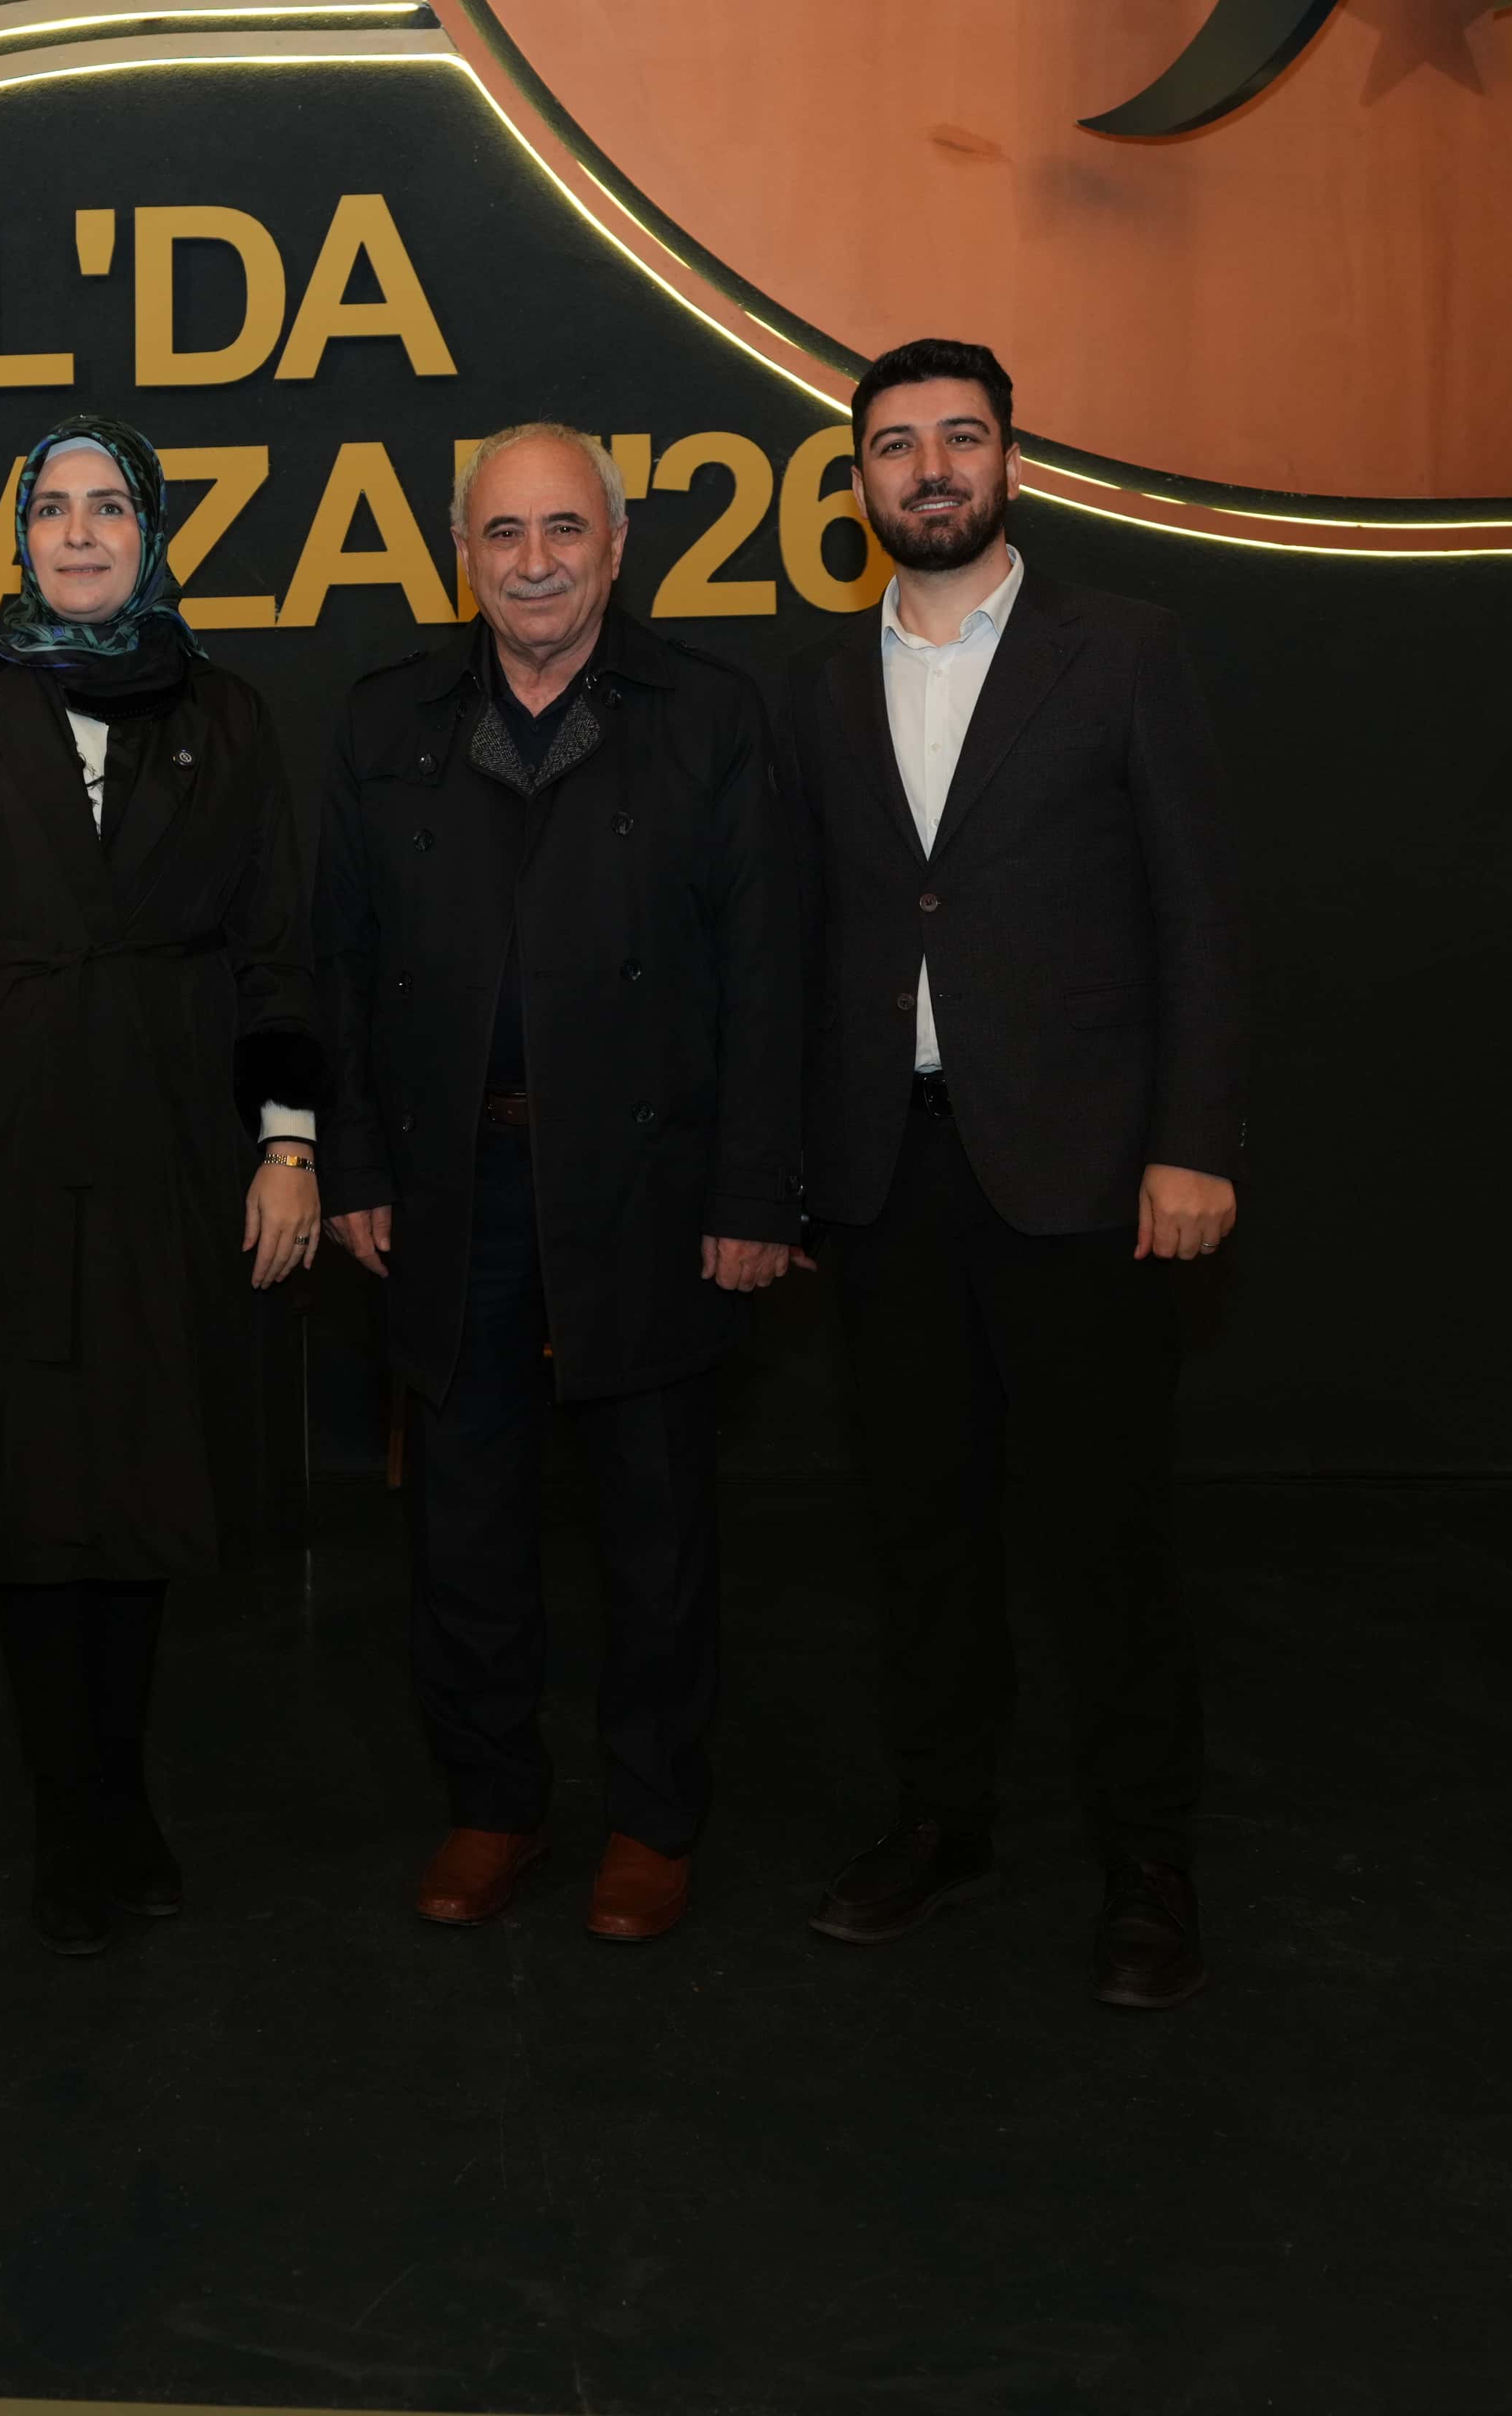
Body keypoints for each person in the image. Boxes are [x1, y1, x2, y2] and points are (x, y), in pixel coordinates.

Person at [780, 338, 1243, 2009]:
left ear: (1012, 464)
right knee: (920, 1532)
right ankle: (942, 1823)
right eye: (897, 446)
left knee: (1105, 1539)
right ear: (858, 484)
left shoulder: (1124, 650)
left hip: (1084, 1175)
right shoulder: (818, 686)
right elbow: (808, 936)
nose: (930, 469)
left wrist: (1193, 1140)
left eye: (960, 438)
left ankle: (1148, 1863)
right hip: (885, 1177)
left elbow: (1198, 912)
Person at [311, 424, 801, 1946]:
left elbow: (768, 974)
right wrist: (355, 1161)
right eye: (505, 533)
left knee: (656, 1525)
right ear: (462, 552)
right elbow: (338, 969)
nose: (535, 563)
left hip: (649, 1183)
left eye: (565, 530)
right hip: (451, 1185)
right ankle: (494, 1801)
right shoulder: (386, 717)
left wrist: (754, 1194)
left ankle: (653, 1819)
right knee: (462, 1523)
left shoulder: (710, 714)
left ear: (618, 544)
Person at [0, 415, 324, 1957]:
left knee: (144, 1482)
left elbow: (275, 947)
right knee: (33, 1489)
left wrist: (290, 1144)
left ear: (152, 531)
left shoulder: (229, 713)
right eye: (51, 507)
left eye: (107, 505)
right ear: (20, 535)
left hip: (175, 1149)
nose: (77, 530)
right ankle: (69, 1816)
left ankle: (124, 1795)